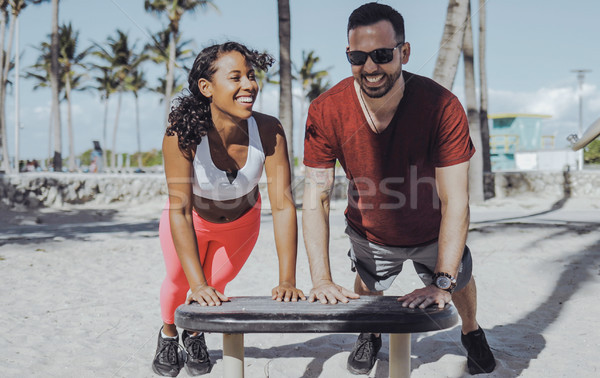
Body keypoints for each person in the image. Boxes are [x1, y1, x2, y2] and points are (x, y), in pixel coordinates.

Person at [302, 3, 495, 376]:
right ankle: (369, 333)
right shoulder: (327, 110)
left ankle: (471, 332)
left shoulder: (443, 107)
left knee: (461, 282)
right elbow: (316, 197)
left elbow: (456, 200)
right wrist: (322, 279)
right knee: (369, 283)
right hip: (370, 230)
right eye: (359, 57)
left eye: (382, 55)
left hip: (434, 230)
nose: (370, 67)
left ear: (404, 53)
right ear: (348, 56)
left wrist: (442, 281)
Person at [154, 41, 305, 377]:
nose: (249, 85)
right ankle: (168, 333)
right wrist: (197, 284)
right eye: (235, 77)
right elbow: (179, 210)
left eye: (250, 76)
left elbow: (282, 206)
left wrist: (287, 279)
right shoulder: (182, 133)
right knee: (182, 282)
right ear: (207, 87)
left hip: (241, 225)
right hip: (190, 219)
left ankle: (194, 334)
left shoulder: (268, 130)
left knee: (216, 287)